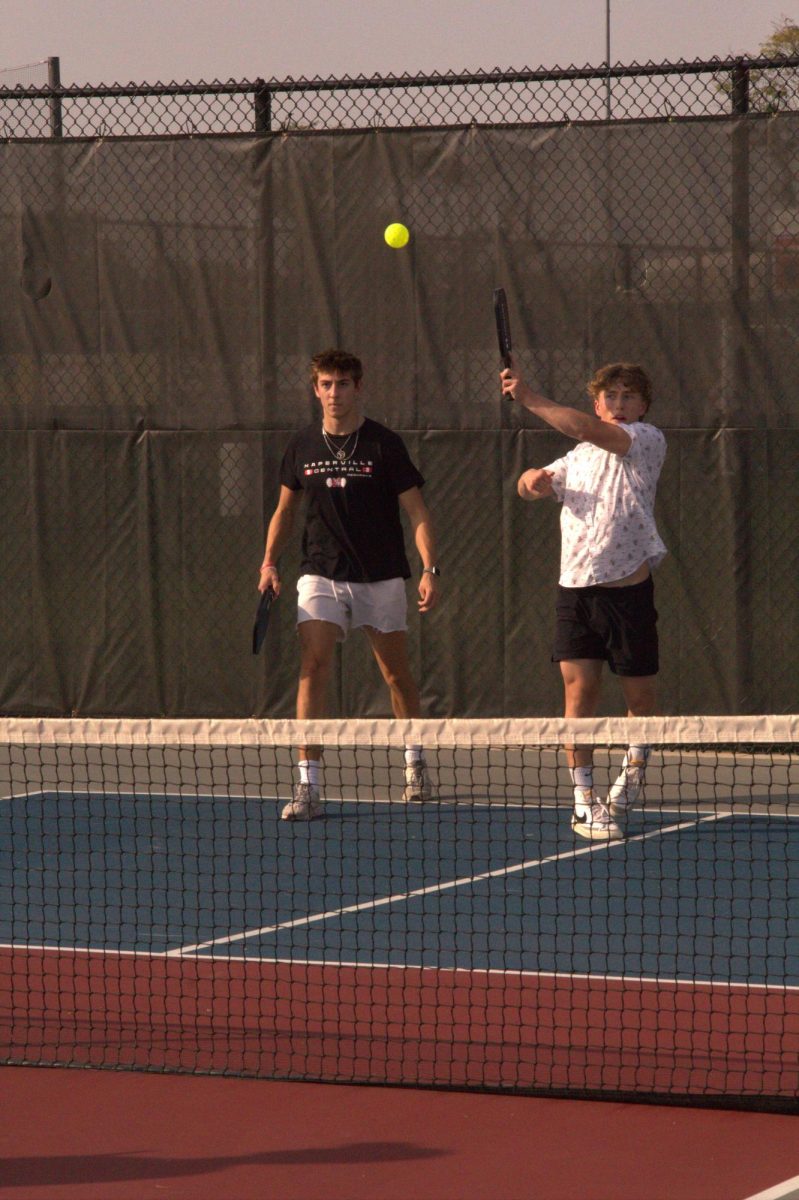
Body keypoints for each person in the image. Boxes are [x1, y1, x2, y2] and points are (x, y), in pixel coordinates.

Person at [259, 348, 441, 821]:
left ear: (358, 388)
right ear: (315, 389)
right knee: (312, 667)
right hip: (319, 574)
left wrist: (429, 568)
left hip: (380, 578)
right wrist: (269, 564)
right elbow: (284, 512)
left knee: (395, 676)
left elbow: (417, 511)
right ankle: (308, 787)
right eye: (325, 384)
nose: (334, 393)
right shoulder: (302, 446)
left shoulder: (384, 445)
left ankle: (414, 761)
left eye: (342, 384)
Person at [501, 360, 667, 842]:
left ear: (643, 406)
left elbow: (590, 430)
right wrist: (531, 480)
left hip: (629, 596)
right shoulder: (576, 458)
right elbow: (529, 487)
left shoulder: (645, 440)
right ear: (598, 402)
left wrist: (529, 397)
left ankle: (631, 775)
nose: (618, 405)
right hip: (575, 593)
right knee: (579, 699)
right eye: (609, 397)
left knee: (641, 702)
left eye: (627, 396)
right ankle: (583, 801)